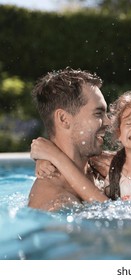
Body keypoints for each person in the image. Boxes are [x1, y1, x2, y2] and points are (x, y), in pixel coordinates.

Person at [28, 67, 110, 211]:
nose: (108, 122)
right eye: (98, 114)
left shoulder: (96, 170)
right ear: (64, 119)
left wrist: (55, 157)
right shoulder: (57, 203)